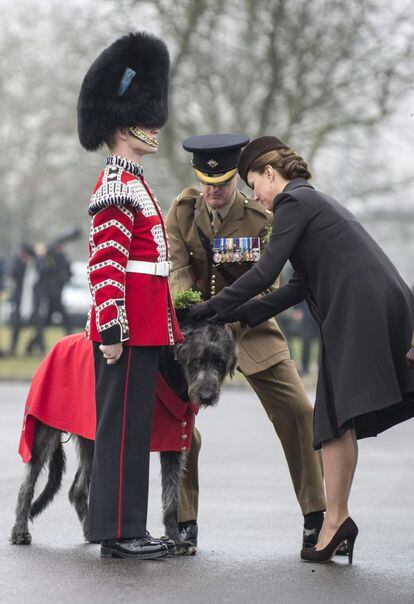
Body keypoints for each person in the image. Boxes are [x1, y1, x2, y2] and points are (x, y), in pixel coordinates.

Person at [189, 136, 414, 563]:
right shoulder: (310, 203)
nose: (255, 194)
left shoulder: (294, 201)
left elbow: (265, 272)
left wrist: (208, 309)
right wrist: (234, 317)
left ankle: (335, 521)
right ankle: (337, 520)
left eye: (254, 183)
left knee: (332, 418)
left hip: (357, 307)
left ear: (270, 174)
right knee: (334, 418)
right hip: (365, 304)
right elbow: (295, 286)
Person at [166, 133, 326, 553]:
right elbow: (177, 273)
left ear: (238, 178)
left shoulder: (261, 218)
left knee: (298, 411)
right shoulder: (182, 213)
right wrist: (192, 320)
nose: (213, 191)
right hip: (190, 332)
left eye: (221, 184)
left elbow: (266, 284)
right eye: (206, 183)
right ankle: (182, 522)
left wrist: (226, 326)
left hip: (250, 329)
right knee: (181, 428)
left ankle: (317, 516)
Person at [77, 31, 183, 559]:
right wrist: (113, 330)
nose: (154, 128)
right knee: (119, 433)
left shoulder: (134, 181)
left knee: (131, 430)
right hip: (127, 328)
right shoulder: (117, 184)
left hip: (144, 323)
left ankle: (125, 528)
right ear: (124, 128)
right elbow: (106, 265)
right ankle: (119, 533)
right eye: (145, 120)